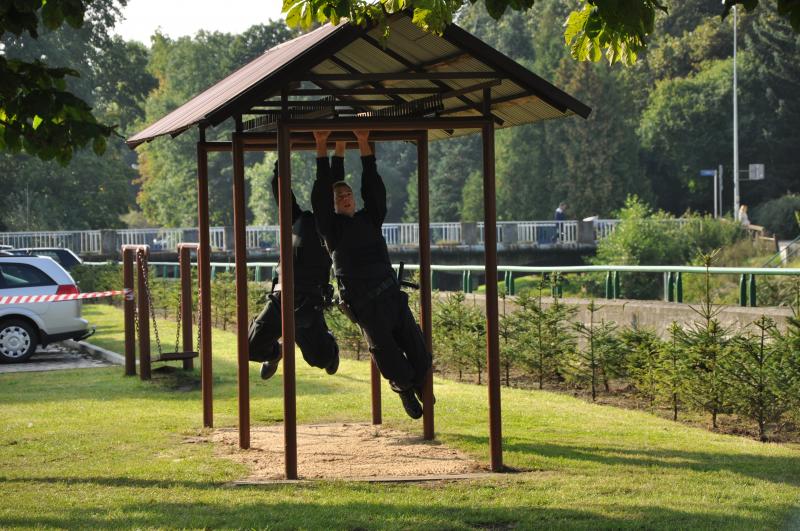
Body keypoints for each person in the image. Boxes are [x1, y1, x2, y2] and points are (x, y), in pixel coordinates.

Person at [311, 129, 432, 420]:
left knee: (417, 347)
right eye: (340, 196)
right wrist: (321, 148)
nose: (346, 197)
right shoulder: (332, 231)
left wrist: (365, 145)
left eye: (348, 194)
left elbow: (375, 189)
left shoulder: (370, 218)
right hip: (365, 305)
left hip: (391, 295)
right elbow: (320, 195)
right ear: (334, 204)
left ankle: (420, 385)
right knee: (388, 356)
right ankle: (404, 387)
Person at [247, 159, 340, 380]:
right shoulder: (299, 219)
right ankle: (275, 353)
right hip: (281, 297)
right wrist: (282, 161)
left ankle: (330, 346)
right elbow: (281, 192)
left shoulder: (335, 228)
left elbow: (334, 182)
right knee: (251, 348)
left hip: (309, 301)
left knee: (321, 359)